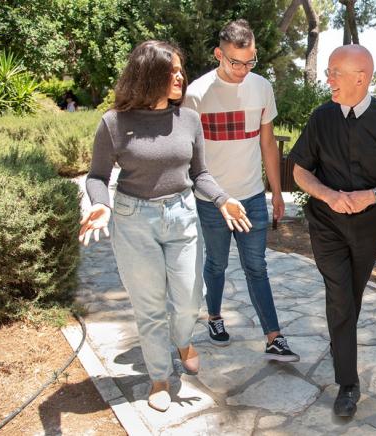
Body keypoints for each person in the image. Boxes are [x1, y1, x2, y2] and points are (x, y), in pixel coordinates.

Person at [79, 40, 251, 412]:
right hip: (133, 219)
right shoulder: (114, 122)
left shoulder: (188, 118)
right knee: (150, 305)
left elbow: (199, 173)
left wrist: (223, 198)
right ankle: (160, 377)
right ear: (148, 74)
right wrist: (101, 205)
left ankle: (183, 339)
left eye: (180, 70)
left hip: (183, 215)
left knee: (190, 297)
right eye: (171, 71)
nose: (180, 77)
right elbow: (97, 176)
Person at [290, 44, 376, 417]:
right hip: (326, 223)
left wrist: (372, 195)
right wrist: (329, 195)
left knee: (353, 293)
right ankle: (348, 383)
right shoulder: (320, 118)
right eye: (328, 71)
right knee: (340, 295)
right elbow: (300, 170)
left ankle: (340, 339)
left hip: (369, 226)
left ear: (359, 78)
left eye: (334, 72)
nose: (327, 78)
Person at [183, 19, 299, 362]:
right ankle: (215, 318)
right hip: (213, 200)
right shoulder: (196, 94)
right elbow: (189, 153)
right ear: (219, 53)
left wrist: (275, 192)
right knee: (216, 264)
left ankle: (274, 337)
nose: (243, 70)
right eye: (236, 62)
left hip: (250, 196)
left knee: (256, 266)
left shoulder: (262, 87)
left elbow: (267, 144)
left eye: (250, 62)